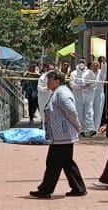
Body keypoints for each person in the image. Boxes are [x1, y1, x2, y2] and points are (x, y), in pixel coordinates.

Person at [30, 70, 87, 198]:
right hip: (60, 136)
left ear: (57, 80)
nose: (47, 83)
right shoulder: (57, 92)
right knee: (66, 163)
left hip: (63, 135)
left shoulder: (62, 93)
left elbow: (71, 111)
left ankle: (46, 190)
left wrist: (78, 127)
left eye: (49, 80)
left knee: (53, 163)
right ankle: (78, 188)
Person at [71, 60, 97, 136]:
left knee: (89, 112)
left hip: (88, 95)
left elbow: (94, 83)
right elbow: (72, 84)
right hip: (78, 96)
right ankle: (79, 130)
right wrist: (80, 87)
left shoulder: (90, 72)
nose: (81, 64)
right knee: (78, 112)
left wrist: (88, 85)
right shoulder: (74, 73)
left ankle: (90, 129)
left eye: (83, 62)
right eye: (80, 62)